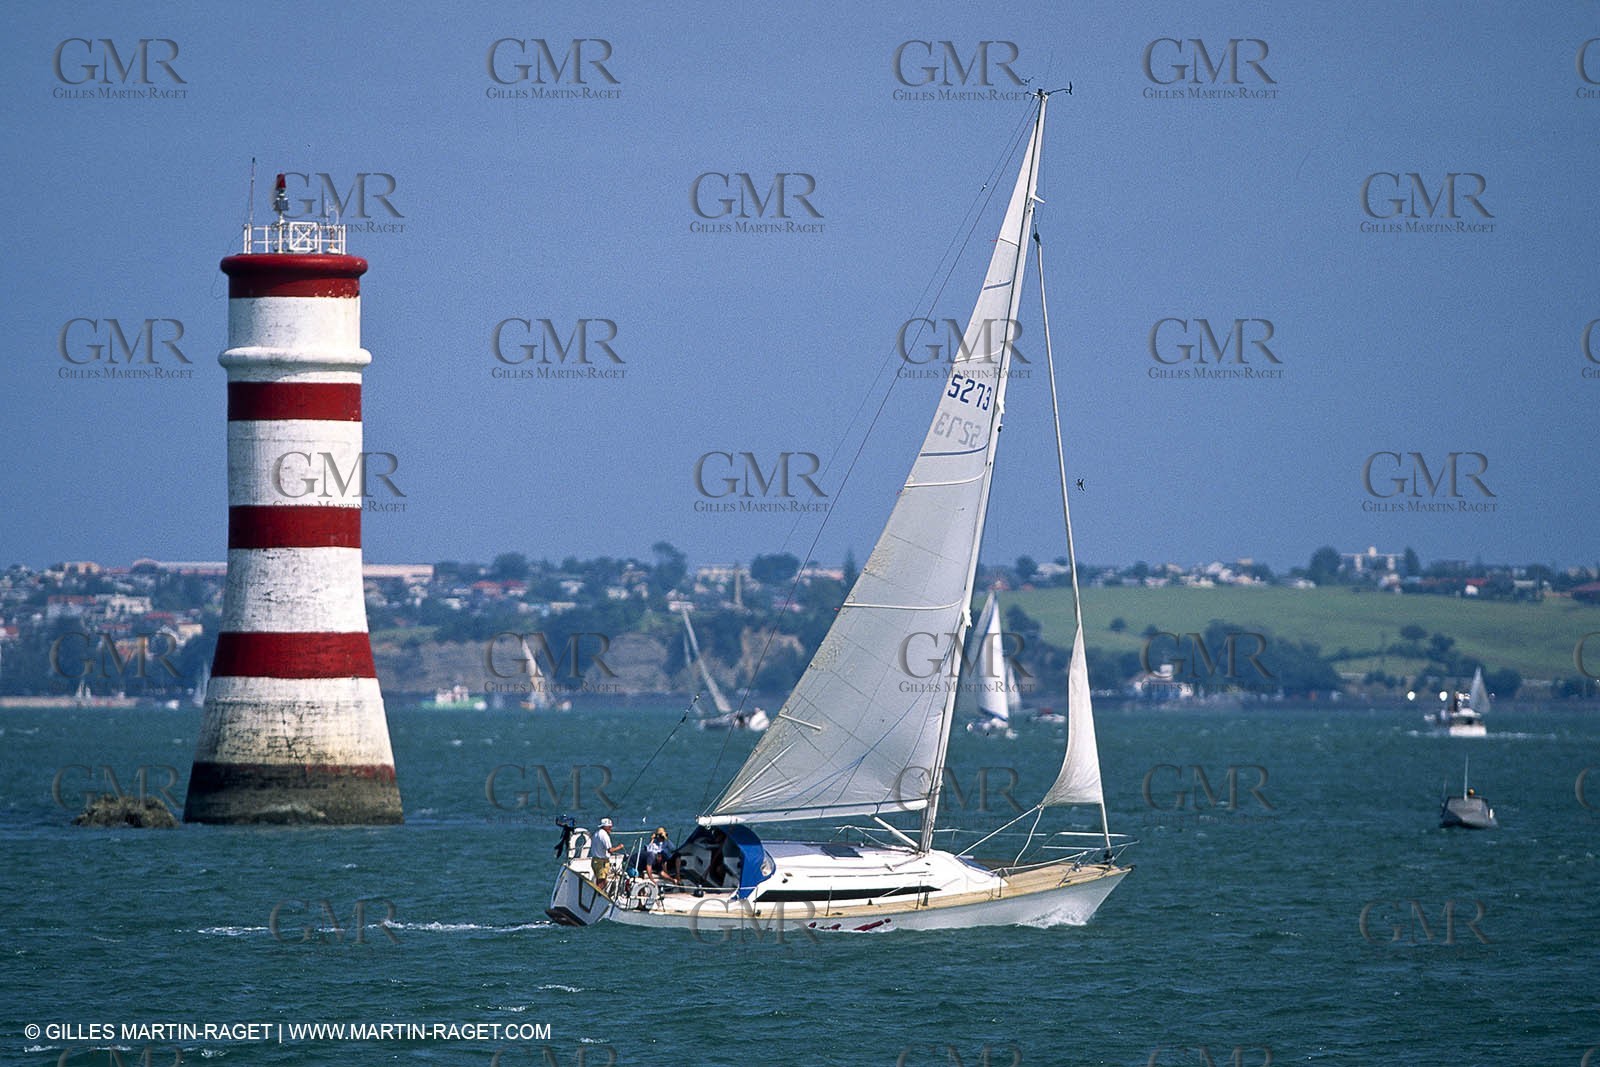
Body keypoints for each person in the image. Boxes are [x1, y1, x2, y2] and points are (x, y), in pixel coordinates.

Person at [589, 817, 624, 884]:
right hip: (601, 862)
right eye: (609, 827)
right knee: (602, 882)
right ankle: (599, 891)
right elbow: (610, 850)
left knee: (600, 881)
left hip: (595, 861)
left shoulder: (596, 833)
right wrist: (619, 847)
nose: (611, 828)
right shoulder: (604, 835)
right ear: (605, 827)